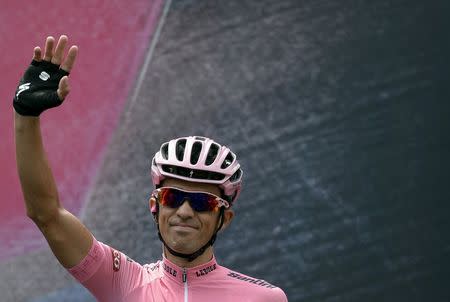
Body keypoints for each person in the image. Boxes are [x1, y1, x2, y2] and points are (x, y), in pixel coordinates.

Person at [13, 35, 288, 301]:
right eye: (173, 197)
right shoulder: (122, 283)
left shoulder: (264, 298)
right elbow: (46, 214)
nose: (184, 211)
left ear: (224, 219)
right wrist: (26, 116)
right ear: (154, 205)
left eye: (203, 202)